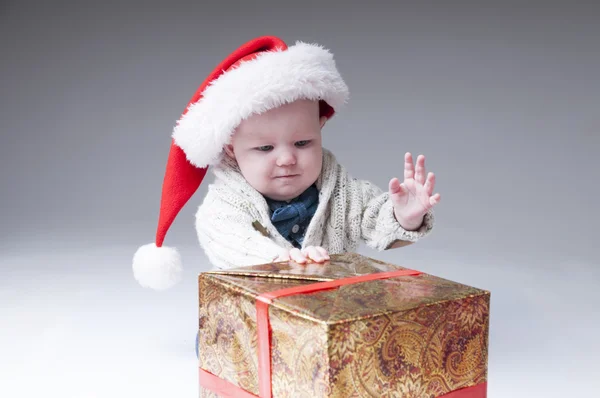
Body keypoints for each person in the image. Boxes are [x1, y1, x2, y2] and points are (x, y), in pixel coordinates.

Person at [132, 35, 440, 292]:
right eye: (264, 147)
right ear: (231, 148)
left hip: (324, 309)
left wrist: (404, 216)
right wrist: (286, 258)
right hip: (254, 304)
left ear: (320, 127)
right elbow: (234, 245)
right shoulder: (225, 207)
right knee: (236, 340)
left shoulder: (343, 193)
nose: (287, 158)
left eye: (302, 143)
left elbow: (378, 226)